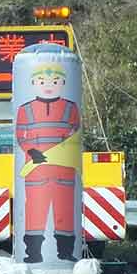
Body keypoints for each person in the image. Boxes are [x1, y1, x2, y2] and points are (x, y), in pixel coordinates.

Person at [15, 62, 80, 263]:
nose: (48, 85)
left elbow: (75, 134)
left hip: (63, 171)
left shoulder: (71, 108)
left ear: (63, 83)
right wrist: (31, 151)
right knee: (35, 211)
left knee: (65, 212)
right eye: (42, 81)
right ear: (34, 83)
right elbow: (20, 135)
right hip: (36, 170)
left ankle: (66, 252)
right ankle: (33, 253)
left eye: (55, 81)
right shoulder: (25, 110)